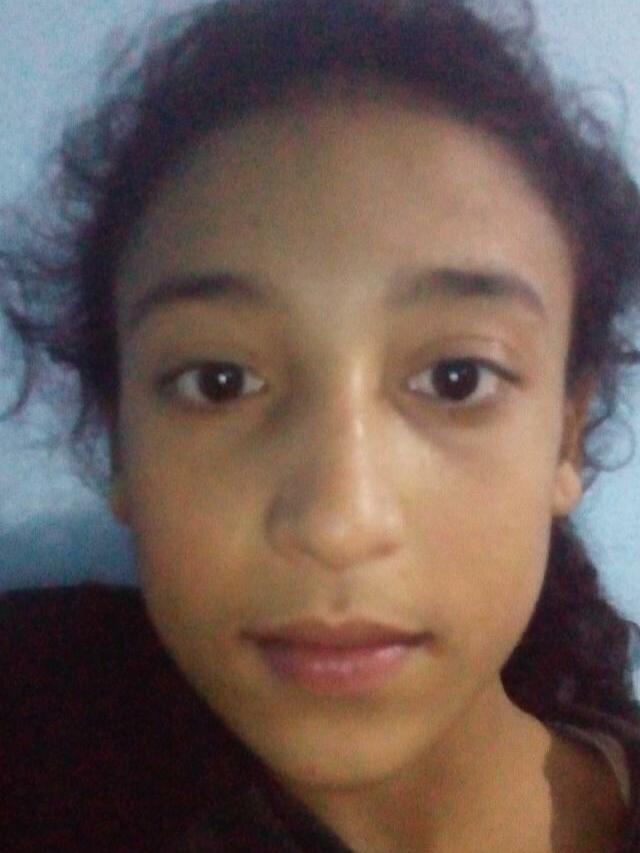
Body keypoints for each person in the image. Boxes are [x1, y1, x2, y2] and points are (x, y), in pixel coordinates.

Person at [1, 0, 640, 849]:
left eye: (457, 378)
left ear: (566, 435)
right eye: (219, 380)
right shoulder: (37, 727)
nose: (339, 522)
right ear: (121, 438)